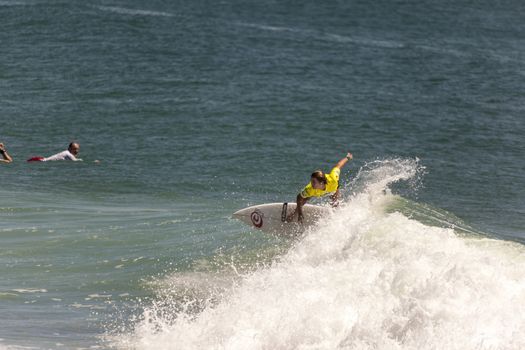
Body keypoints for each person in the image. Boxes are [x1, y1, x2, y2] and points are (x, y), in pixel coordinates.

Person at [287, 152, 353, 223]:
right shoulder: (310, 188)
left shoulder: (333, 179)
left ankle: (335, 219)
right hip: (317, 191)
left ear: (321, 182)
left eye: (314, 182)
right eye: (311, 181)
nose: (311, 184)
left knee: (335, 203)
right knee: (305, 198)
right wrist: (300, 213)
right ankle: (293, 214)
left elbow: (338, 165)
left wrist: (347, 158)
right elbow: (299, 197)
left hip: (332, 188)